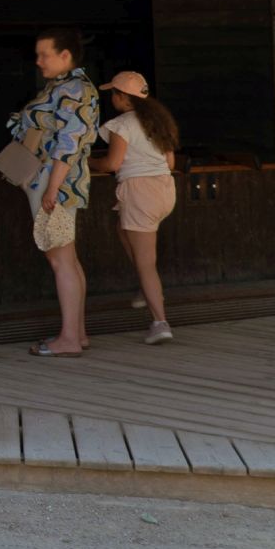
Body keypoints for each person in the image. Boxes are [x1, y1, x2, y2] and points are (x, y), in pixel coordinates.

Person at [10, 27, 98, 358]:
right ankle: (77, 332)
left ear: (65, 56)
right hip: (54, 180)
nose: (38, 60)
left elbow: (68, 142)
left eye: (44, 54)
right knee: (67, 258)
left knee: (60, 258)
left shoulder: (74, 89)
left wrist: (53, 186)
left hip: (54, 181)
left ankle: (69, 338)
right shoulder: (65, 87)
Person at [94, 70, 181, 345]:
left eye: (114, 94)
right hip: (165, 190)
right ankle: (147, 289)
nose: (112, 99)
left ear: (122, 97)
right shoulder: (159, 121)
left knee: (146, 263)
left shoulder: (122, 124)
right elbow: (171, 164)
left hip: (139, 192)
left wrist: (85, 164)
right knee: (123, 229)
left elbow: (112, 165)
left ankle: (159, 321)